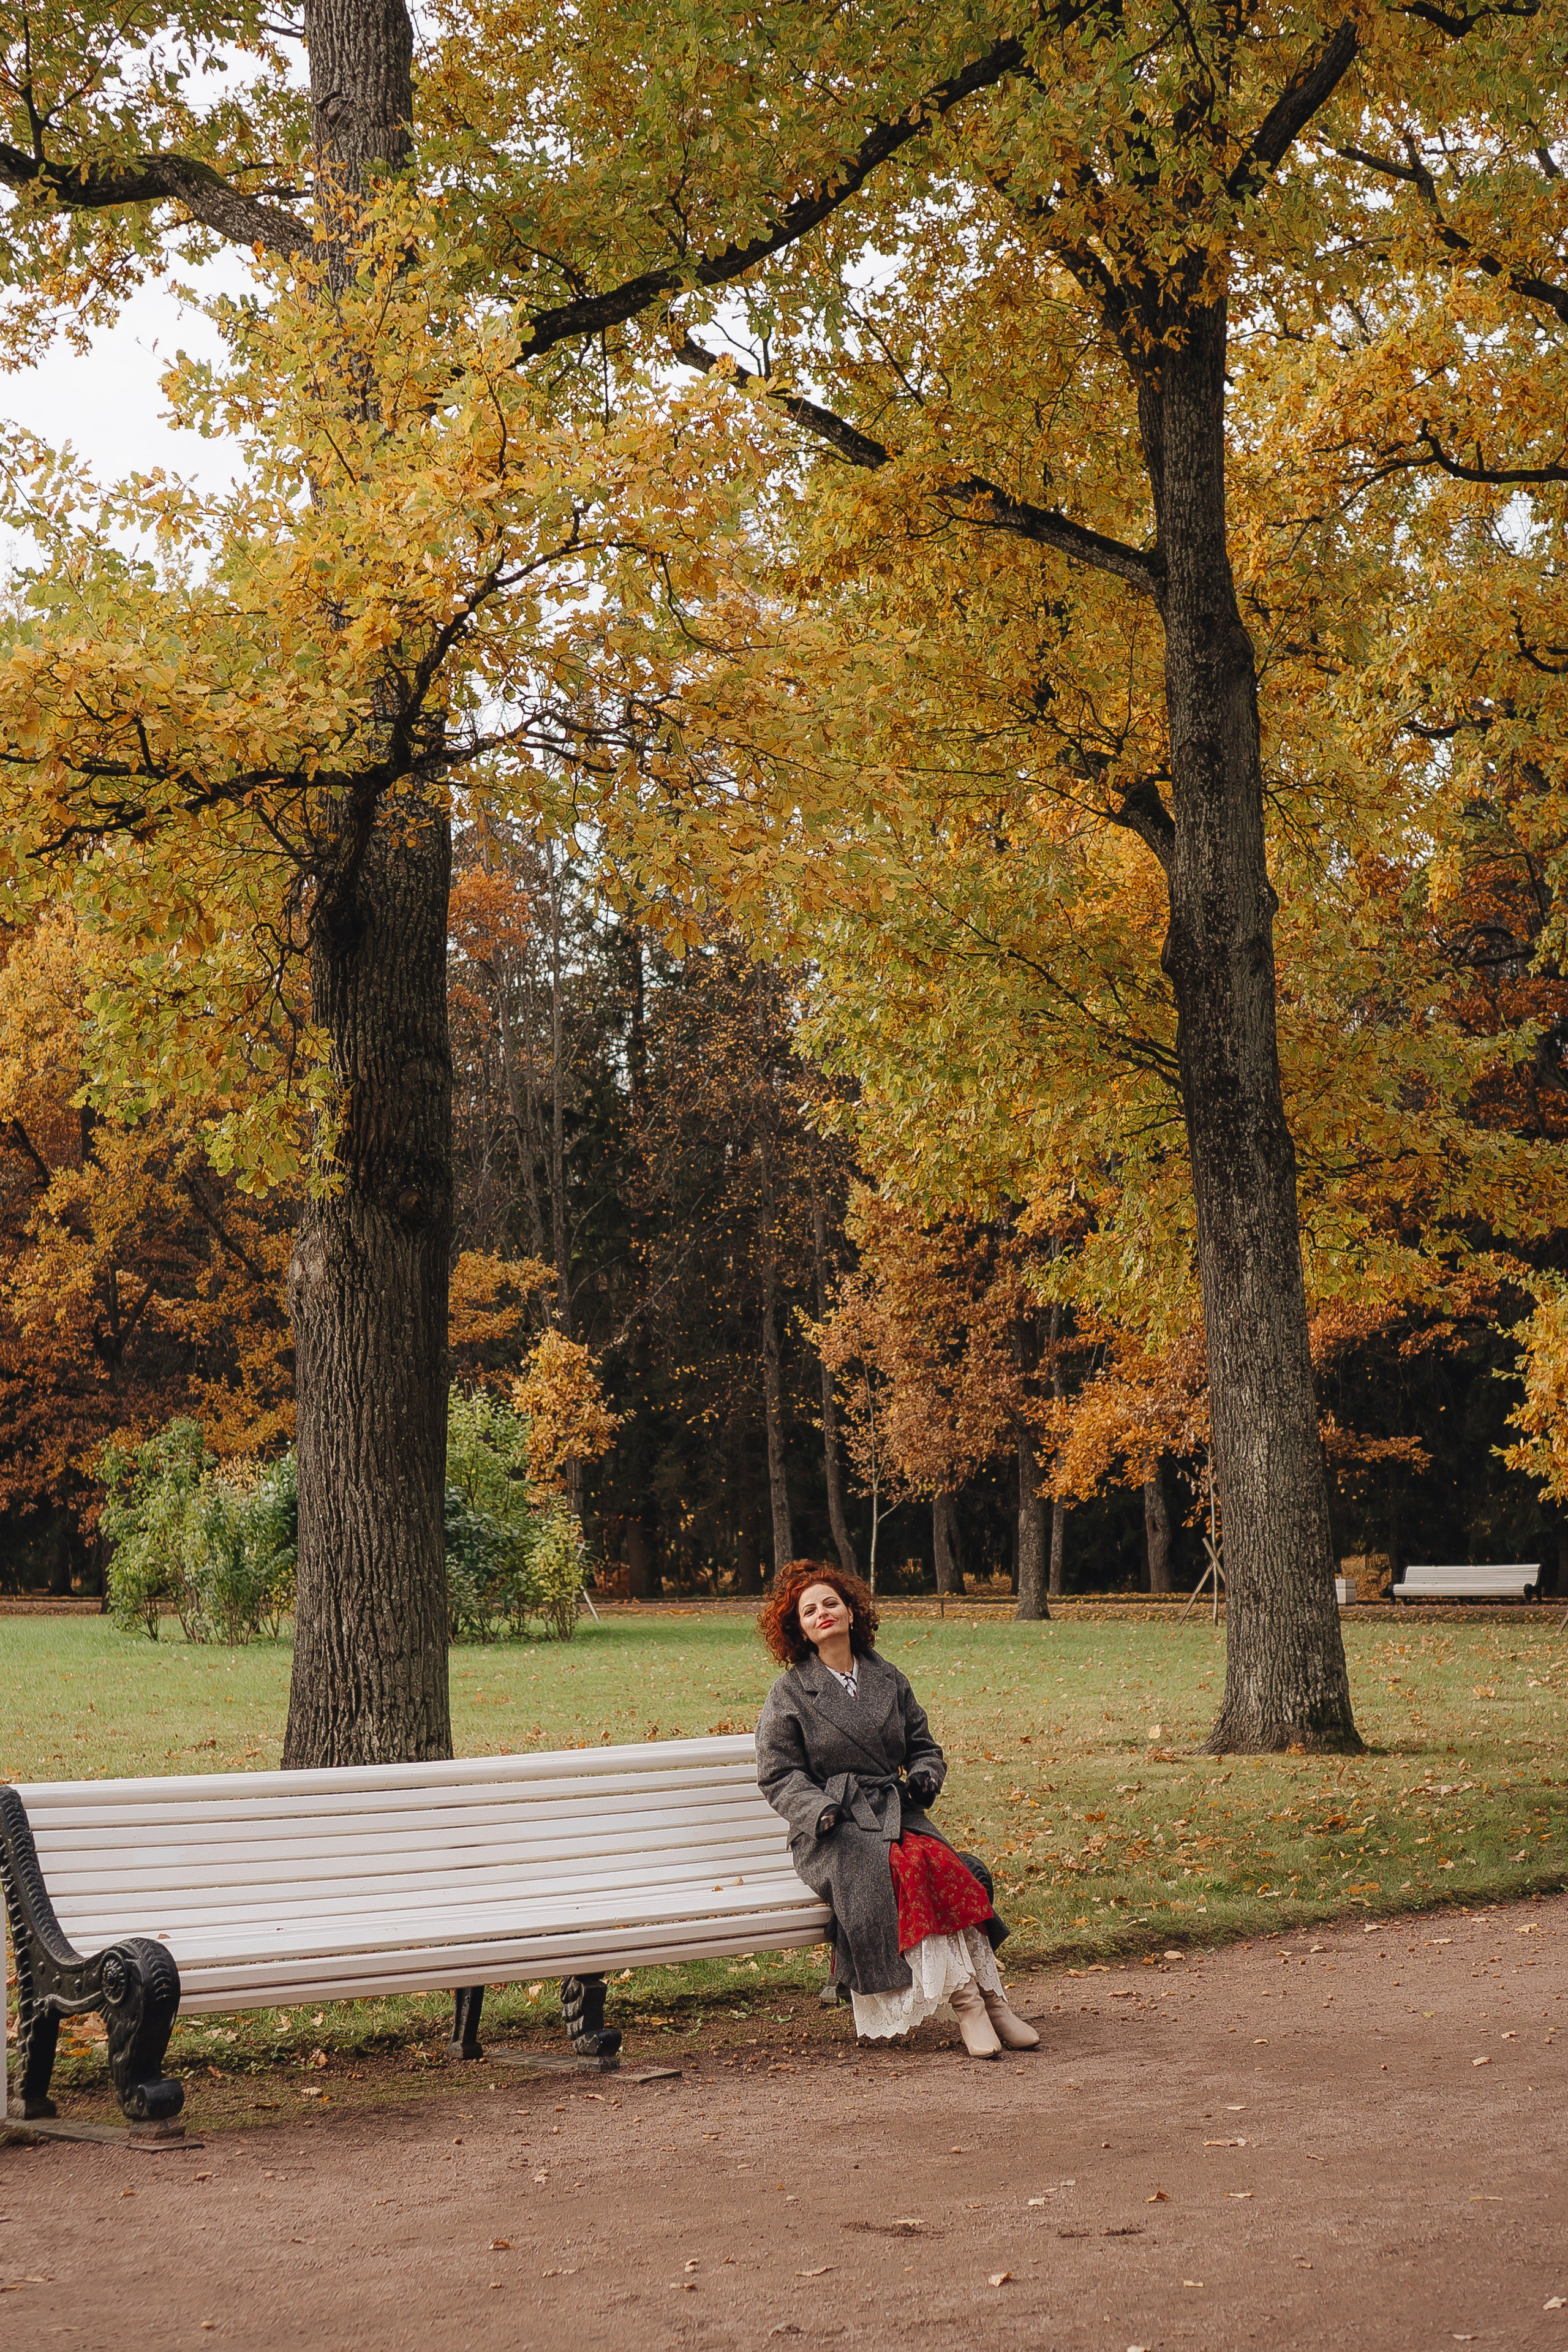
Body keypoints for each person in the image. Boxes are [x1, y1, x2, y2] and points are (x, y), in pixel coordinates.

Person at [754, 1560, 1039, 2059]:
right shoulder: (790, 1693)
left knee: (951, 1865)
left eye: (830, 1603)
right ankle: (969, 2005)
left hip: (895, 1810)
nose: (823, 1613)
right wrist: (818, 1809)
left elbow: (923, 1745)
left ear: (849, 1611)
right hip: (833, 1828)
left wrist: (926, 1774)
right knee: (908, 1869)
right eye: (809, 1610)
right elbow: (779, 1774)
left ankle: (995, 2001)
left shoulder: (888, 1677)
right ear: (797, 1628)